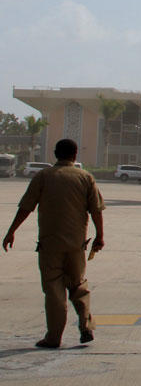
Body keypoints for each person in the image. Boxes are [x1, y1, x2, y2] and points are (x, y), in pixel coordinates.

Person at [3, 139, 104, 349]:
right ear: (75, 154)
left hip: (50, 245)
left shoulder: (44, 176)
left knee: (54, 289)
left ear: (55, 154)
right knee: (78, 286)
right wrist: (99, 236)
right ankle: (86, 326)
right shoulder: (86, 178)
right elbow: (95, 210)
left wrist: (11, 231)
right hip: (76, 244)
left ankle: (54, 337)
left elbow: (26, 207)